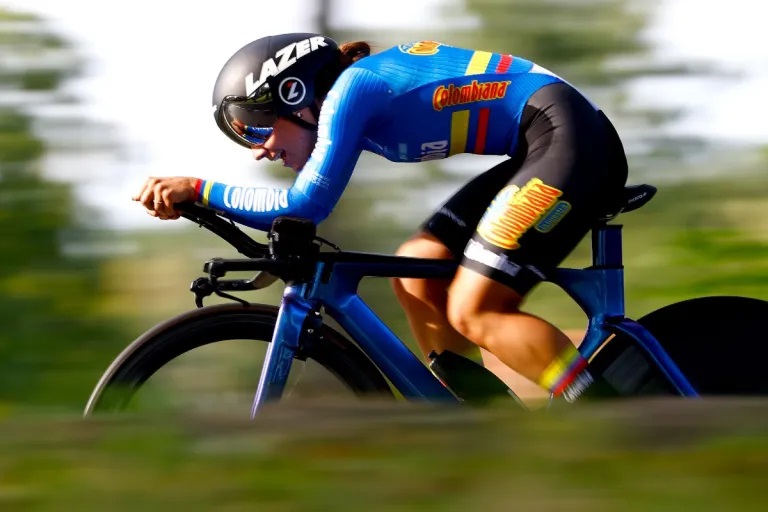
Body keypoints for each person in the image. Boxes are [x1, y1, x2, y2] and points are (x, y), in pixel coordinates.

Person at [133, 33, 628, 403]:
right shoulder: (351, 101)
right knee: (417, 267)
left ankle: (617, 432)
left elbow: (305, 205)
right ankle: (488, 425)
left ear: (294, 93)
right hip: (543, 141)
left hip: (570, 138)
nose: (260, 148)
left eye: (258, 126)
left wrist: (199, 189)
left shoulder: (354, 89)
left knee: (476, 308)